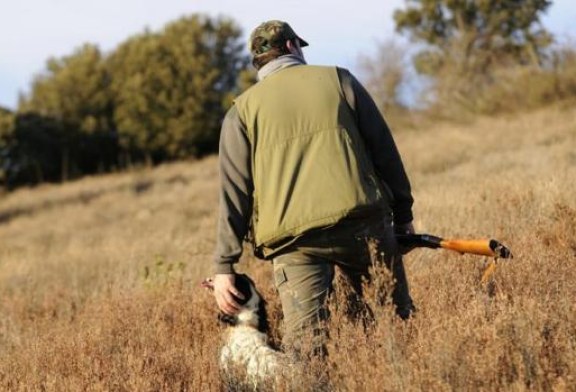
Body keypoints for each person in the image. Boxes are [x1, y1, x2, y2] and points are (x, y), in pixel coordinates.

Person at [212, 20, 415, 357]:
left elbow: (234, 196)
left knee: (306, 350)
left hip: (294, 245)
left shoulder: (240, 113)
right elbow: (384, 152)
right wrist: (403, 216)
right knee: (396, 326)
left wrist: (223, 268)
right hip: (364, 226)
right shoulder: (339, 80)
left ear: (257, 63)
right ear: (292, 47)